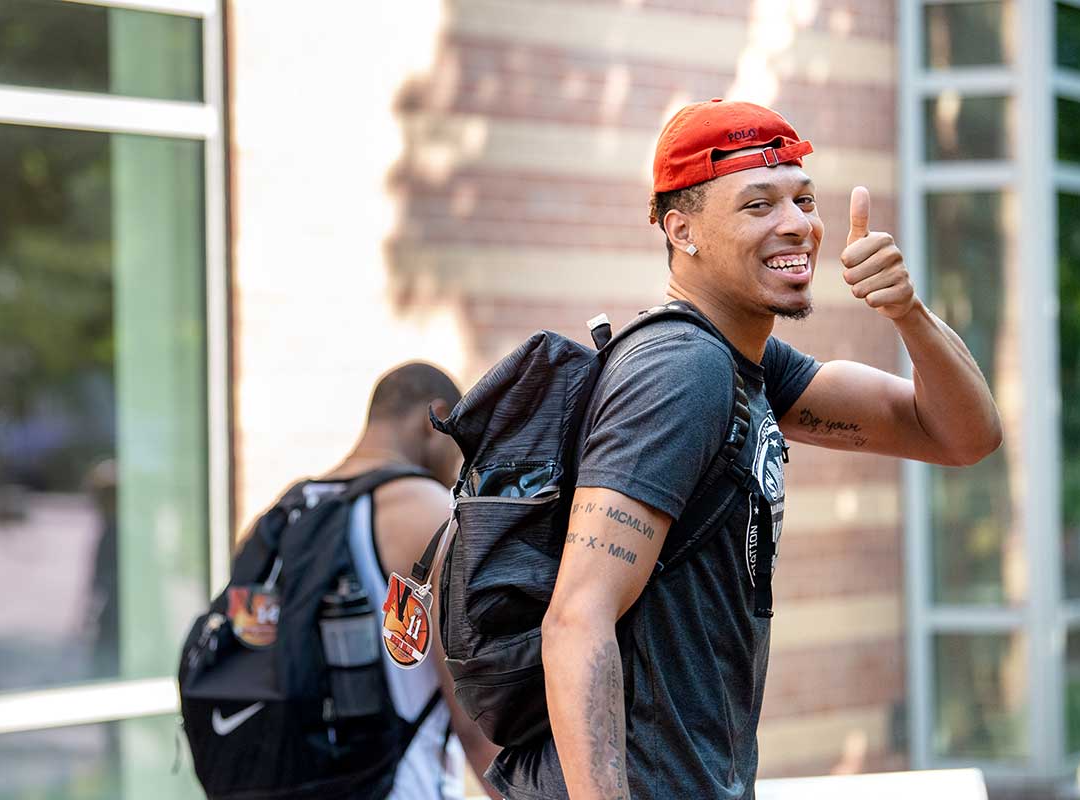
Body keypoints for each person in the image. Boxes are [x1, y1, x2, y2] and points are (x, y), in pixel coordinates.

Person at [483, 99, 1003, 800]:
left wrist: (907, 311)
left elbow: (961, 434)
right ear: (682, 229)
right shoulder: (681, 372)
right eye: (758, 205)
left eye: (803, 199)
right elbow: (578, 619)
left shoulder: (751, 368)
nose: (797, 224)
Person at [308, 361, 504, 800]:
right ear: (433, 418)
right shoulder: (427, 511)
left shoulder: (285, 515)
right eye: (460, 446)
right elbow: (473, 714)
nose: (459, 466)